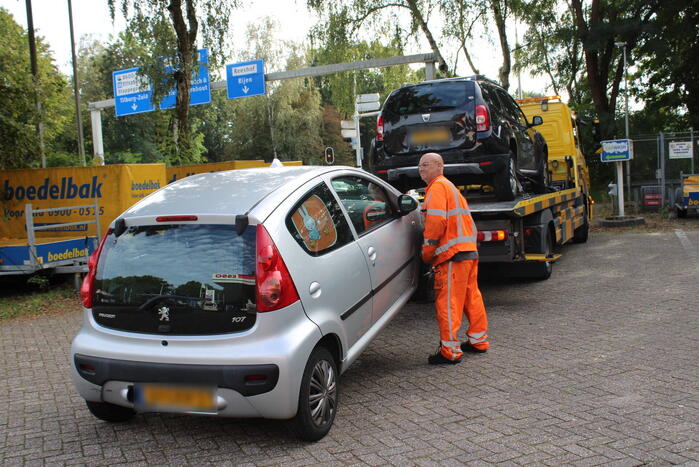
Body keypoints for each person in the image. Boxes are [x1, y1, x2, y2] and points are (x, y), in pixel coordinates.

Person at [418, 152, 490, 365]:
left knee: (449, 303)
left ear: (440, 166)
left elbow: (436, 223)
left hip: (452, 255)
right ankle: (479, 341)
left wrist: (427, 252)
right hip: (466, 252)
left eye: (426, 165)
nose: (421, 169)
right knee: (471, 298)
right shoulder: (451, 188)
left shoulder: (438, 188)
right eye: (420, 166)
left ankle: (450, 352)